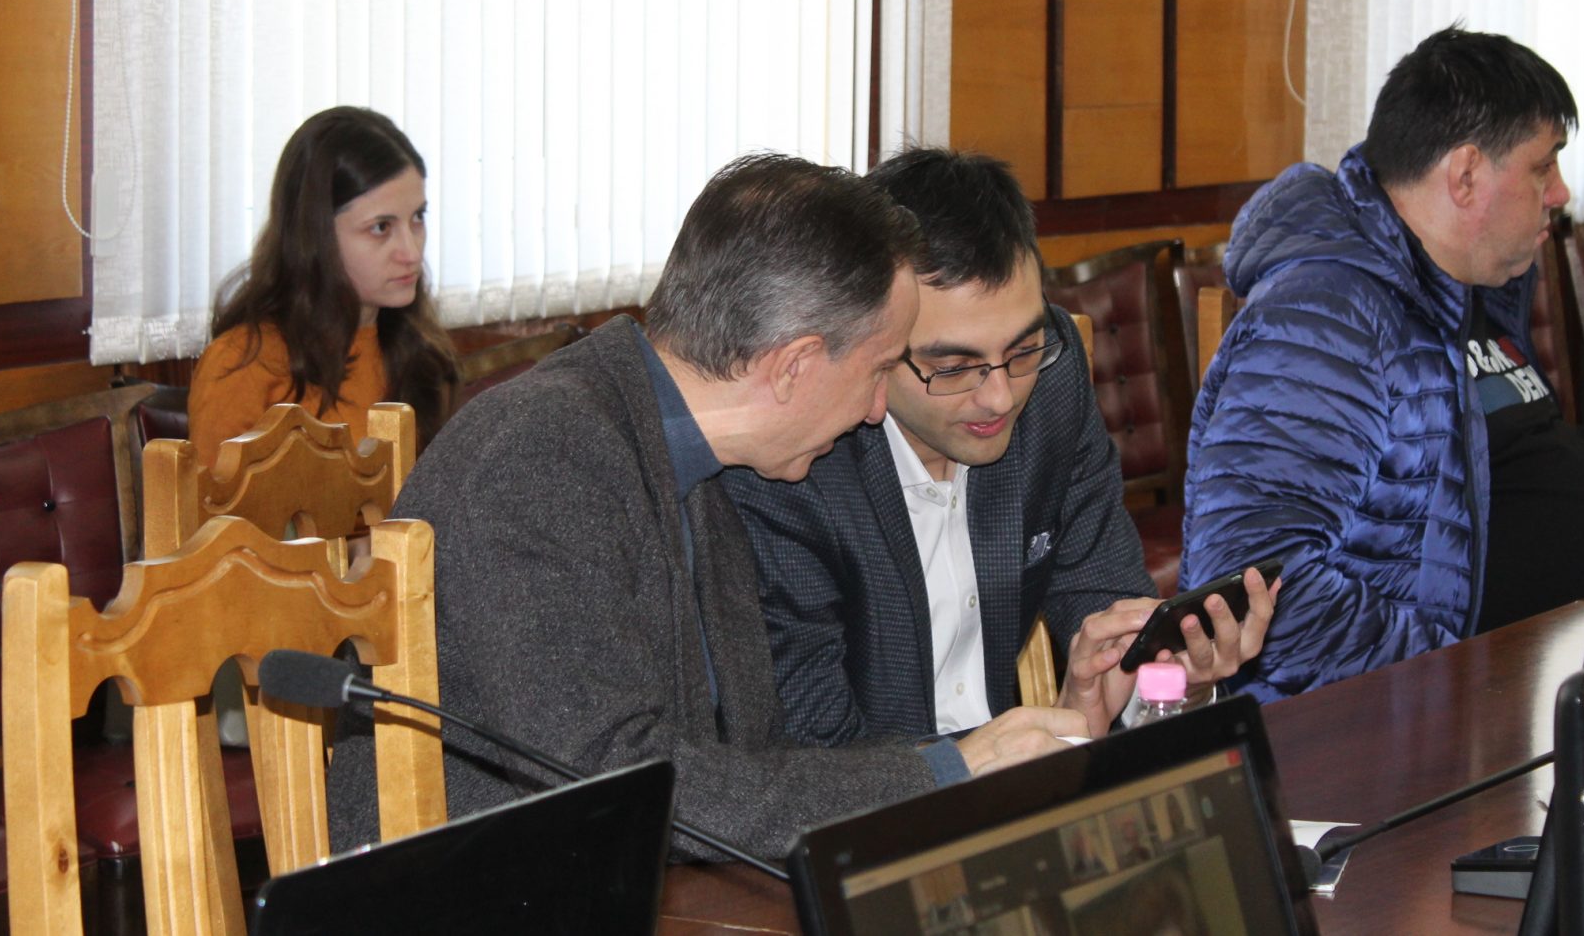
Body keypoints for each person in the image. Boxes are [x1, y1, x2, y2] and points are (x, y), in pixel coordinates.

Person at [327, 154, 1087, 861]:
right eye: (879, 368)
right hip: (481, 891)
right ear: (794, 365)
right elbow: (616, 785)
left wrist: (951, 768)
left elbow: (750, 755)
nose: (875, 409)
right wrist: (946, 770)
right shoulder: (541, 458)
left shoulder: (695, 457)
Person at [726, 148, 1273, 748]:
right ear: (875, 344)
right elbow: (812, 749)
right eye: (953, 366)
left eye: (1022, 349)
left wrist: (1165, 684)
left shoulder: (1052, 383)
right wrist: (988, 762)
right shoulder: (794, 459)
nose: (999, 397)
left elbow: (1105, 601)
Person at [1182, 25, 1584, 699]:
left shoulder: (1459, 285)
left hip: (1523, 678)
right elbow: (1254, 590)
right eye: (1543, 166)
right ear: (1465, 175)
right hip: (1383, 726)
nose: (1560, 192)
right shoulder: (1324, 320)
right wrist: (1463, 675)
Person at [188, 106, 459, 459]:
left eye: (418, 217)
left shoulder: (421, 348)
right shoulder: (243, 364)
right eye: (381, 227)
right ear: (315, 235)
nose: (411, 252)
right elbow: (216, 495)